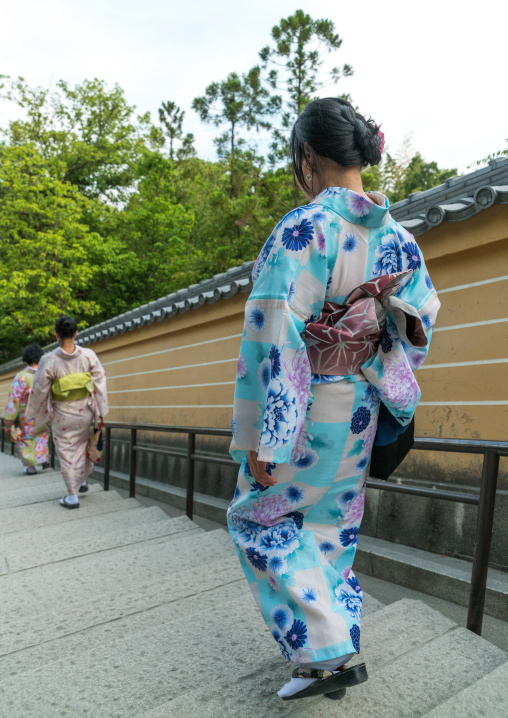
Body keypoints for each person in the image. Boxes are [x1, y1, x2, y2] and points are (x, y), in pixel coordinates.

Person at [226, 98, 440, 701]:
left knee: (256, 517)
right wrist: (374, 343)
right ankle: (333, 647)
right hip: (364, 405)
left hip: (309, 405)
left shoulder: (304, 228)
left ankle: (326, 652)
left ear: (308, 158)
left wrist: (268, 437)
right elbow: (421, 321)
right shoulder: (400, 239)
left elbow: (273, 337)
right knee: (332, 528)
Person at [27, 316, 108, 508]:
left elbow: (39, 390)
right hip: (85, 412)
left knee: (67, 453)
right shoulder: (89, 356)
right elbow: (100, 382)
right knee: (82, 447)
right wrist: (100, 411)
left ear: (56, 335)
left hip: (62, 414)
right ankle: (83, 482)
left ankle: (72, 496)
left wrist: (35, 412)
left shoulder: (48, 360)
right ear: (76, 333)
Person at [2, 344, 50, 475]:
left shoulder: (21, 376)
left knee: (26, 439)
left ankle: (30, 467)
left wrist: (9, 419)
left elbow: (14, 398)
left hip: (26, 415)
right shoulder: (45, 374)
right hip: (43, 412)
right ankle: (42, 458)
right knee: (42, 436)